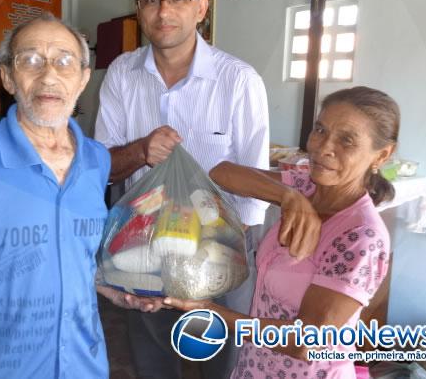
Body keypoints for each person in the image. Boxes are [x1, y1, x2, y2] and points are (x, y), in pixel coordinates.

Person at [0, 13, 156, 379]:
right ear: (8, 77)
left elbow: (72, 256)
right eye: (31, 60)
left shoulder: (97, 160)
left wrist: (112, 289)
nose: (49, 75)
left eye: (65, 61)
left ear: (84, 78)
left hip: (85, 368)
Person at [94, 0, 289, 379]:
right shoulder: (122, 75)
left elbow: (253, 189)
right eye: (152, 0)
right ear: (138, 9)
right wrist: (141, 150)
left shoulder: (238, 80)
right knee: (152, 359)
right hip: (142, 246)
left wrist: (241, 263)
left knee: (222, 361)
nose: (165, 12)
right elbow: (101, 167)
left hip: (222, 250)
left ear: (201, 7)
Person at [166, 86, 398, 379]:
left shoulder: (361, 236)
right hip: (256, 365)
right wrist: (288, 197)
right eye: (320, 130)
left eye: (347, 140)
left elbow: (305, 341)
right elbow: (221, 173)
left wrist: (210, 311)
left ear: (382, 155)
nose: (323, 147)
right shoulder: (307, 187)